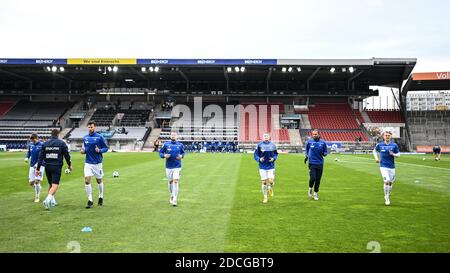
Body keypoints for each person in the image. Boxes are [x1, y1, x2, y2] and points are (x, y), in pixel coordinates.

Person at [36, 129, 72, 210]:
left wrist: (38, 169)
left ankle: (52, 201)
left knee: (51, 184)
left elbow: (40, 157)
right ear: (58, 134)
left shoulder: (45, 143)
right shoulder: (61, 143)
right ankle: (47, 200)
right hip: (56, 166)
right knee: (55, 185)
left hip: (47, 166)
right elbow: (67, 155)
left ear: (51, 134)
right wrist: (69, 165)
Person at [81, 121, 109, 209]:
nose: (90, 128)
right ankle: (90, 200)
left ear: (94, 127)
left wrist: (100, 150)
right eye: (89, 127)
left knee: (99, 181)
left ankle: (101, 196)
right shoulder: (85, 138)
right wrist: (83, 151)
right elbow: (85, 149)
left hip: (97, 163)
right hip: (88, 163)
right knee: (86, 180)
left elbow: (106, 148)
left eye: (91, 127)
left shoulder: (100, 137)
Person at [373, 130, 400, 206]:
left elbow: (398, 155)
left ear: (390, 136)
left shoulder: (394, 145)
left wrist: (393, 154)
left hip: (392, 167)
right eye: (386, 135)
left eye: (388, 135)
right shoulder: (380, 145)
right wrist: (376, 159)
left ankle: (387, 194)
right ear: (383, 136)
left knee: (391, 183)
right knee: (387, 181)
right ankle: (386, 197)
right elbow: (374, 151)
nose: (387, 136)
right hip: (383, 166)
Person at [159, 132, 185, 207]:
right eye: (172, 135)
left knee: (175, 181)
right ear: (170, 136)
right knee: (170, 182)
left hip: (177, 166)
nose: (173, 136)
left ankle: (175, 199)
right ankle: (171, 195)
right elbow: (160, 152)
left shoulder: (180, 145)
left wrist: (181, 156)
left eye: (174, 135)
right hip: (168, 166)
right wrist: (164, 155)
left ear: (177, 136)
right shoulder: (166, 144)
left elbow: (183, 153)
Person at [254, 133, 278, 204]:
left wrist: (273, 159)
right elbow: (255, 154)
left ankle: (270, 188)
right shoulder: (259, 145)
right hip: (262, 166)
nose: (266, 137)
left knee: (271, 181)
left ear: (269, 137)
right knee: (264, 182)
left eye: (267, 136)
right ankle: (265, 197)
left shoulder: (273, 145)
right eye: (265, 136)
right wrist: (259, 159)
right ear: (263, 137)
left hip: (271, 166)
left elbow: (276, 154)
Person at [305, 129, 328, 201]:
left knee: (318, 180)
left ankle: (315, 193)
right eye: (313, 134)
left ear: (319, 134)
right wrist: (306, 156)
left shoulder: (323, 142)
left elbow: (325, 151)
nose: (314, 135)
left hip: (320, 163)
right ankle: (310, 188)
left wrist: (325, 154)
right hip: (312, 163)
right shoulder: (310, 141)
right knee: (313, 178)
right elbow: (306, 149)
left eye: (315, 134)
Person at [25, 133, 45, 202]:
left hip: (40, 165)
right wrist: (27, 157)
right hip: (32, 165)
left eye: (33, 140)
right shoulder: (31, 145)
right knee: (31, 182)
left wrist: (39, 164)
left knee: (36, 182)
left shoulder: (42, 145)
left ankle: (37, 197)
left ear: (36, 138)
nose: (32, 141)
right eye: (31, 140)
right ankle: (38, 187)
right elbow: (29, 152)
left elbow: (44, 155)